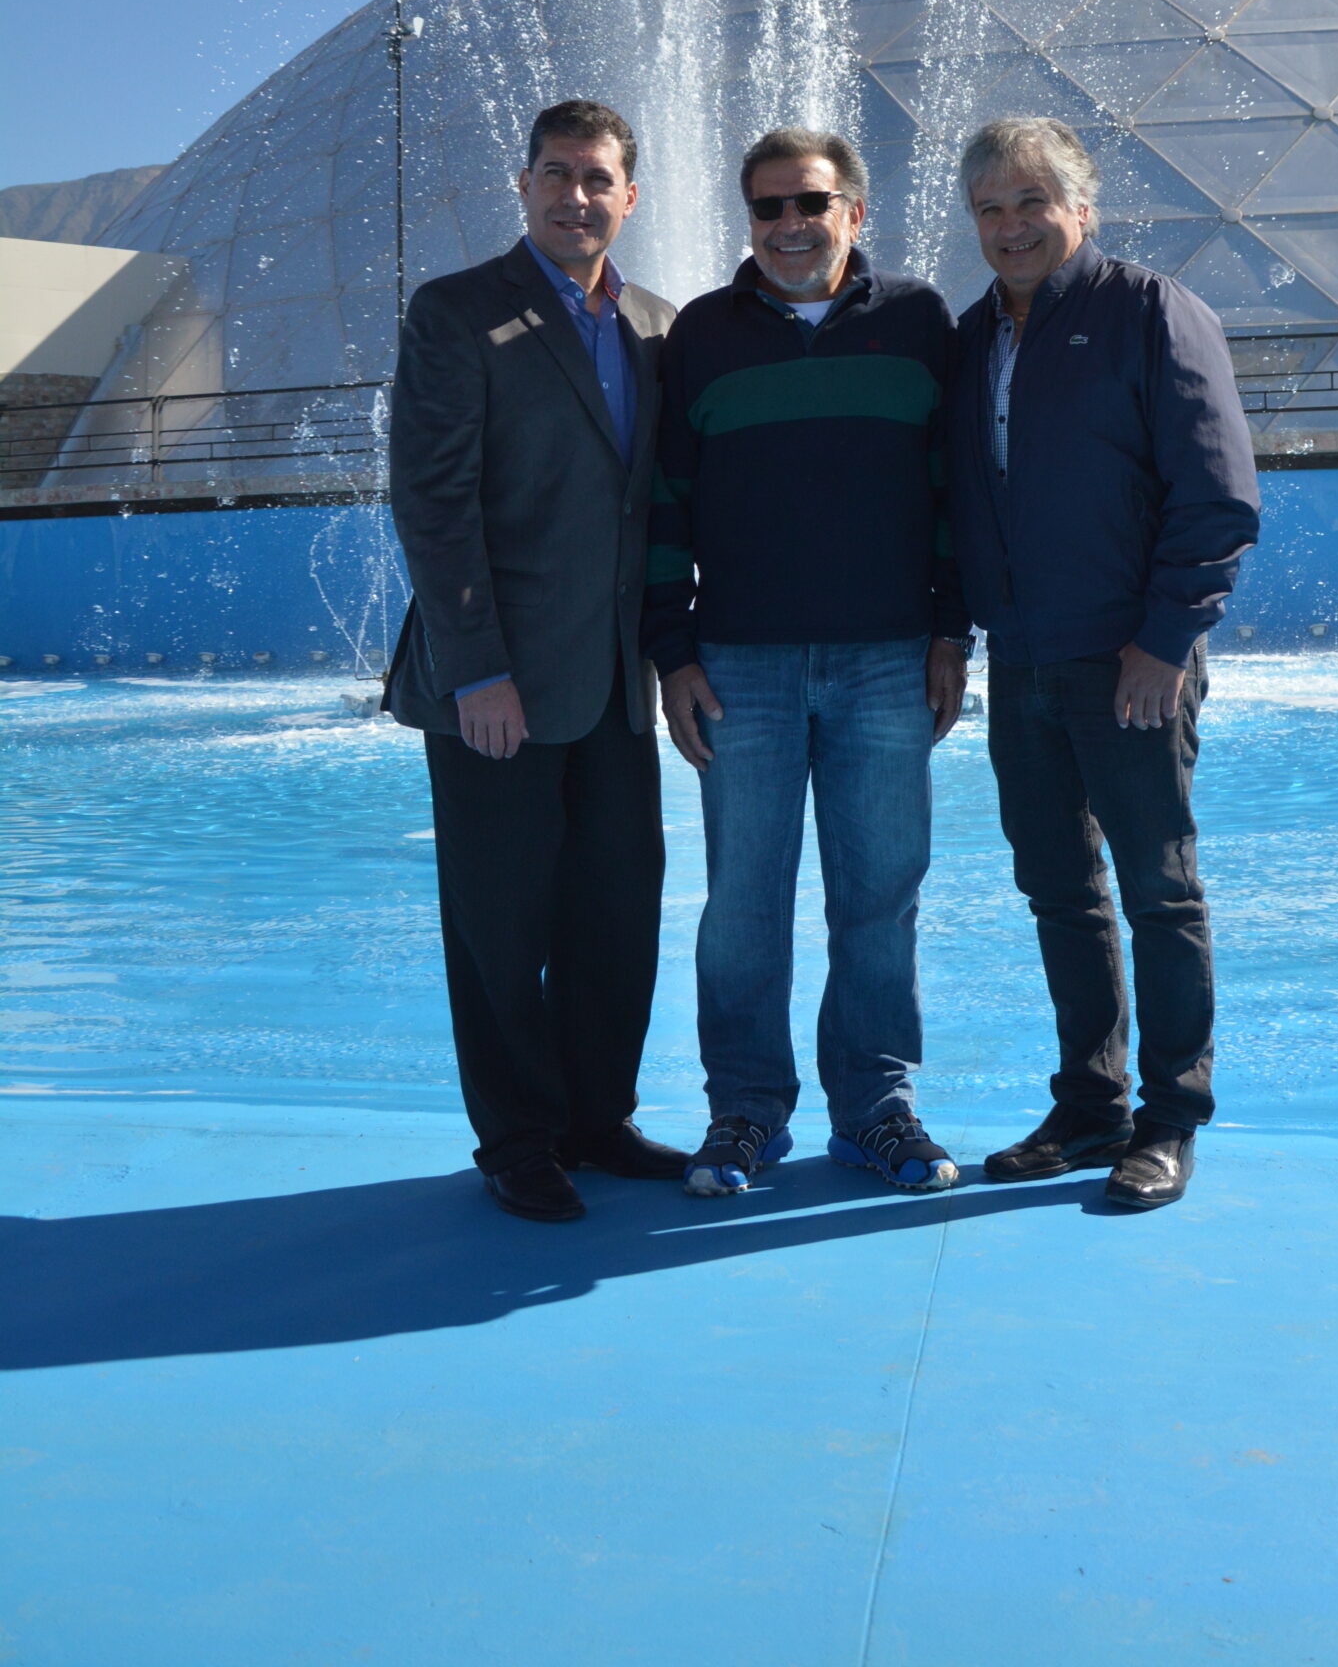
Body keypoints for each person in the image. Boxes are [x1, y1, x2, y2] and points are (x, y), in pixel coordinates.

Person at [643, 128, 971, 1199]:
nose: (790, 225)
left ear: (854, 213)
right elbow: (665, 506)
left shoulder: (919, 321)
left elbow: (955, 491)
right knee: (743, 903)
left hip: (887, 660)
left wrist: (949, 633)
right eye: (768, 207)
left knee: (880, 896)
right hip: (741, 665)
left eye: (811, 203)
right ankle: (744, 1109)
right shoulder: (702, 334)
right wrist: (672, 652)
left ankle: (875, 1107)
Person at [946, 117, 1259, 1212]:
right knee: (1058, 892)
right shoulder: (971, 336)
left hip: (1128, 657)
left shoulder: (1150, 311)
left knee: (1158, 891)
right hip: (1021, 660)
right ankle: (1090, 1105)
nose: (1011, 226)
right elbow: (959, 503)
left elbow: (1216, 494)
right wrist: (956, 637)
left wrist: (1164, 641)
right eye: (989, 208)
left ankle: (1170, 1116)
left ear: (1082, 207)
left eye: (1032, 201)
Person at [384, 98, 686, 1221]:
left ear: (629, 196)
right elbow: (433, 502)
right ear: (523, 186)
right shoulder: (458, 311)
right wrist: (477, 670)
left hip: (613, 682)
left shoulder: (657, 324)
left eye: (597, 178)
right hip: (495, 684)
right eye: (556, 174)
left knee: (618, 908)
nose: (576, 196)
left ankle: (596, 1118)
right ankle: (517, 1139)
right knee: (501, 923)